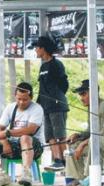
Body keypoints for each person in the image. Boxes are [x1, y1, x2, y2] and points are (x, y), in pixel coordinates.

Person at [0, 82, 44, 186]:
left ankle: (26, 173)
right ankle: (2, 176)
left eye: (25, 99)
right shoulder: (10, 107)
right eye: (19, 99)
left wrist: (8, 133)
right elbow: (0, 128)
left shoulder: (37, 108)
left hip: (33, 147)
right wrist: (4, 142)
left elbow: (31, 129)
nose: (21, 102)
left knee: (25, 137)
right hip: (11, 146)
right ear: (15, 96)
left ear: (31, 98)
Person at [34, 36, 69, 171]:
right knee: (50, 136)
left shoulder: (56, 64)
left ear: (43, 49)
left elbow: (64, 84)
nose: (36, 50)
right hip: (45, 107)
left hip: (57, 106)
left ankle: (67, 162)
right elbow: (41, 88)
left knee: (60, 135)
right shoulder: (43, 66)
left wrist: (56, 97)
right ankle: (58, 160)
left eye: (37, 47)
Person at [64, 80, 104, 186]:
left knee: (92, 142)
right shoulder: (91, 107)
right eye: (80, 95)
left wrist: (84, 143)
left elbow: (101, 133)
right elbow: (90, 130)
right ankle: (77, 178)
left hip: (100, 141)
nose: (81, 98)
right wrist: (78, 136)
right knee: (73, 144)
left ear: (94, 93)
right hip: (96, 141)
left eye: (83, 94)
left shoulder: (102, 106)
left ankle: (89, 178)